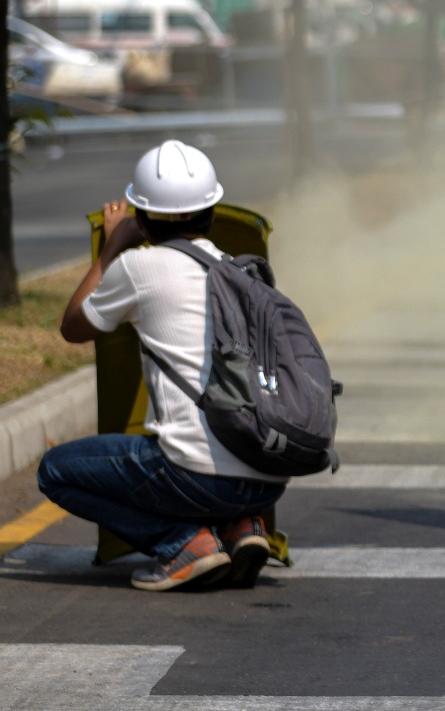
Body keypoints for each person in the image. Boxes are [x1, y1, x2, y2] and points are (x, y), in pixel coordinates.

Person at [37, 141, 285, 591]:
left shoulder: (140, 267)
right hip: (269, 479)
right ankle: (243, 527)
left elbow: (74, 326)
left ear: (142, 217)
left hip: (198, 479)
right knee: (212, 454)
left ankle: (183, 543)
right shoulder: (238, 271)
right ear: (212, 211)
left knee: (54, 471)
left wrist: (112, 249)